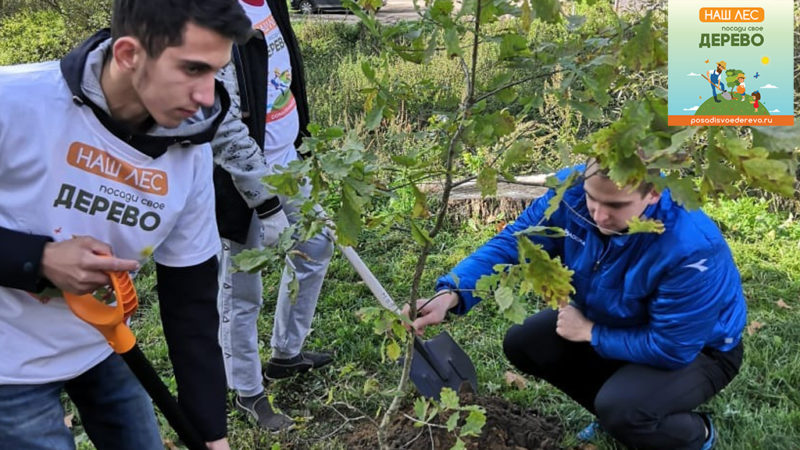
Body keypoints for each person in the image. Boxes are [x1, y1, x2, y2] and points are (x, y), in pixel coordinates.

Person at [0, 1, 252, 449]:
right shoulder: (15, 103)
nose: (207, 97)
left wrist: (212, 434)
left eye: (215, 72)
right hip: (9, 365)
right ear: (129, 54)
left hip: (104, 347)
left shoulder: (189, 153)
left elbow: (191, 299)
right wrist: (36, 259)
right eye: (192, 69)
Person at [406, 161, 746, 450]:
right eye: (592, 199)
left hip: (702, 348)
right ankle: (613, 412)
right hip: (616, 320)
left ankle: (694, 434)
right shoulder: (570, 196)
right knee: (525, 343)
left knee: (624, 409)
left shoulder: (690, 247)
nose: (599, 215)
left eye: (615, 206)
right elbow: (517, 241)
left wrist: (591, 333)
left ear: (653, 193)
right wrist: (452, 293)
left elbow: (673, 347)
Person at [211, 0, 334, 432]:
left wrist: (304, 145)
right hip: (244, 178)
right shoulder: (219, 14)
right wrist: (263, 201)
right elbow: (222, 123)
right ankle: (246, 389)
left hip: (289, 165)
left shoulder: (271, 2)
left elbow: (287, 76)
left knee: (317, 243)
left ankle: (286, 353)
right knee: (242, 288)